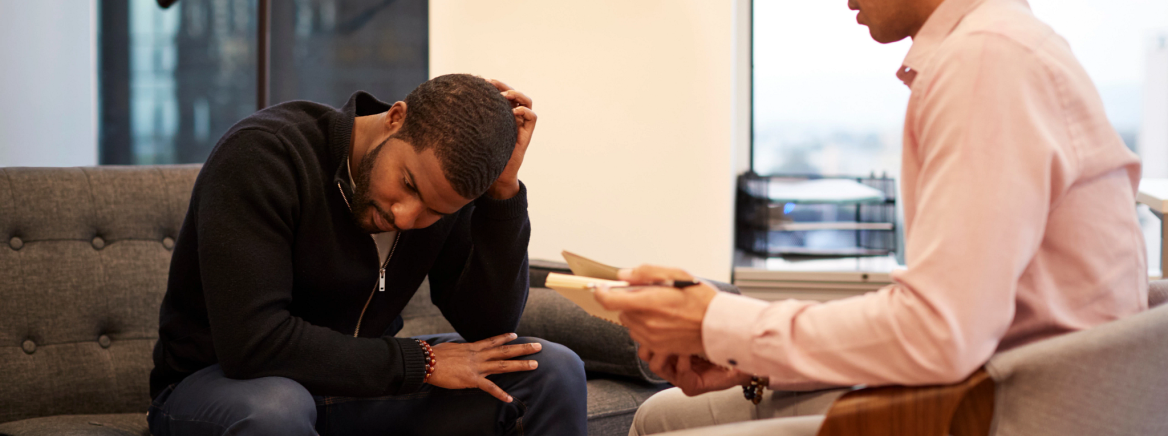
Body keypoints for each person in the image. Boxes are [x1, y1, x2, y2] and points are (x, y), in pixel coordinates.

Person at [596, 0, 1149, 434]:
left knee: (661, 424)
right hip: (997, 375)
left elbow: (939, 335)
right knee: (660, 413)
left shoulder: (986, 60)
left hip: (1006, 404)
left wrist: (715, 324)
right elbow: (951, 321)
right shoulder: (995, 46)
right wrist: (751, 358)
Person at [148, 74, 588, 436]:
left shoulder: (444, 189)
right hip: (224, 389)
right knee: (277, 407)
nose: (405, 216)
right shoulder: (265, 154)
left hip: (357, 387)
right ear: (396, 118)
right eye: (409, 185)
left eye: (435, 211)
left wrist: (502, 195)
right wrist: (420, 362)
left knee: (552, 371)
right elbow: (254, 345)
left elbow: (489, 327)